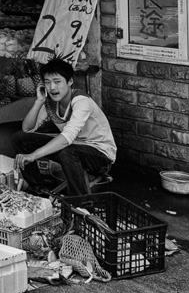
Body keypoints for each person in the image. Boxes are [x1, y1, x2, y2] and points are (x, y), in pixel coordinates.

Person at [12, 59, 116, 196]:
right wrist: (39, 102)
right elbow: (27, 129)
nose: (52, 87)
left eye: (57, 81)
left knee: (66, 151)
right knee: (20, 138)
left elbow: (68, 137)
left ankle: (82, 204)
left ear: (70, 81)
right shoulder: (50, 103)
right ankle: (39, 190)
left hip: (100, 156)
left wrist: (33, 156)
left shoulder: (81, 101)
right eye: (47, 82)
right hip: (72, 147)